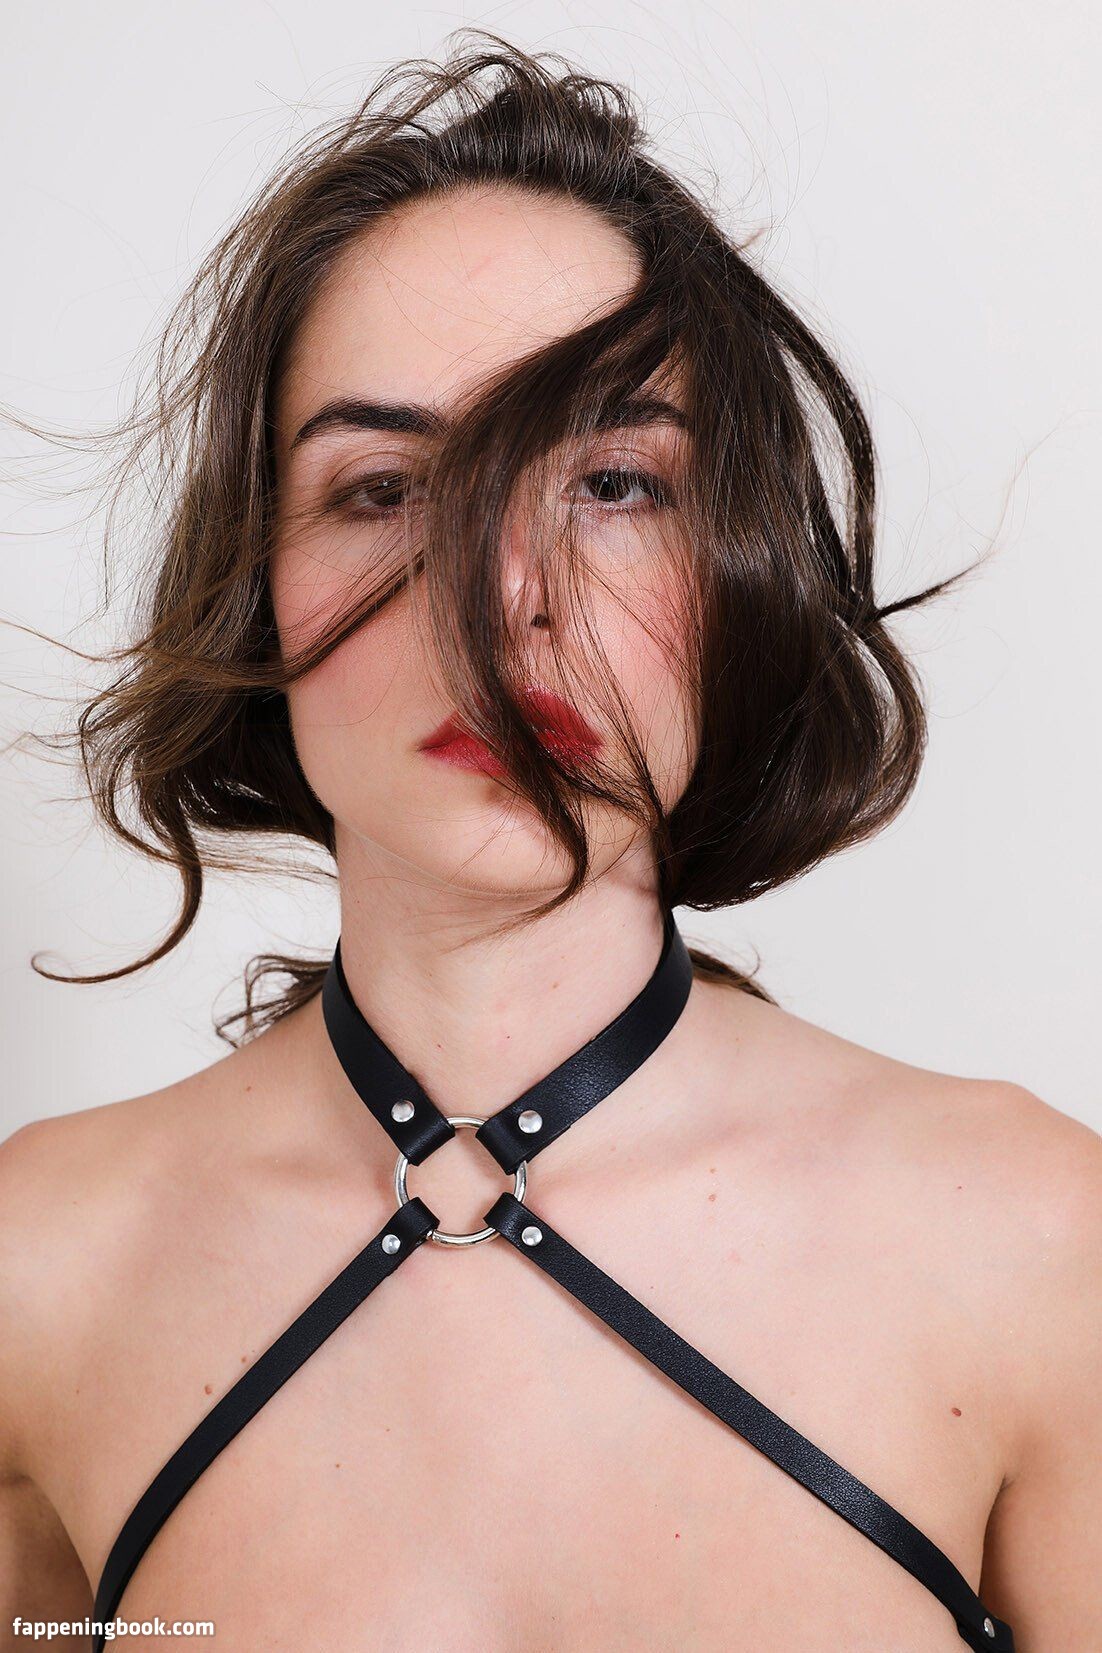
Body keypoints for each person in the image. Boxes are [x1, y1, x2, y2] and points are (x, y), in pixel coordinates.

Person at [1, 31, 1098, 1652]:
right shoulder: (39, 1266)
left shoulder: (1037, 1241)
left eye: (612, 482)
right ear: (254, 584)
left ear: (736, 571)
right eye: (385, 489)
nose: (504, 596)